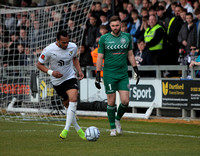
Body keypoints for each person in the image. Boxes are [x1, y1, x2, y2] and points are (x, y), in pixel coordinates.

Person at [95, 16, 140, 136]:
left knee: (125, 101)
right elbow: (100, 57)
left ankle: (117, 118)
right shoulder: (104, 39)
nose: (115, 28)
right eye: (113, 26)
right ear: (110, 26)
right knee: (111, 101)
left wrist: (135, 69)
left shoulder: (127, 37)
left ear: (121, 25)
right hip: (109, 73)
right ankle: (112, 128)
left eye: (117, 25)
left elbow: (130, 54)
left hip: (123, 73)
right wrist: (98, 73)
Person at [37, 30, 86, 140]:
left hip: (70, 77)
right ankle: (78, 128)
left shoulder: (72, 47)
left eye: (67, 42)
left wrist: (79, 70)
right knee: (68, 106)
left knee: (73, 99)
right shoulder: (49, 50)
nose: (66, 44)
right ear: (57, 40)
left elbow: (74, 58)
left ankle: (66, 130)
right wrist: (52, 72)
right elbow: (39, 64)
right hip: (57, 81)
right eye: (63, 42)